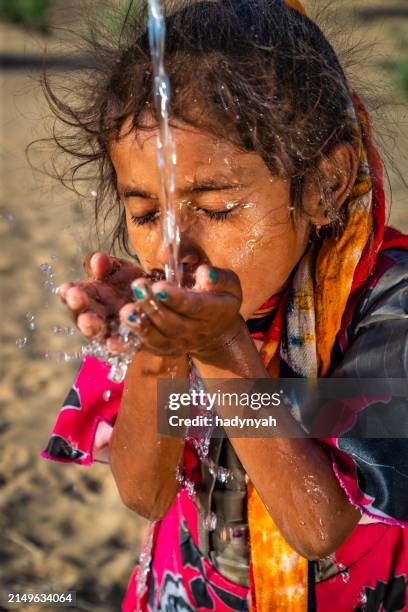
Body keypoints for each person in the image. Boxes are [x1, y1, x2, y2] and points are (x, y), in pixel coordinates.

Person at [40, 0, 408, 609]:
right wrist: (159, 353)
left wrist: (221, 347)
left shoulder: (388, 305)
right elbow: (145, 494)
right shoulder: (157, 302)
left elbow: (320, 525)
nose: (173, 247)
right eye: (145, 214)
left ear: (324, 183)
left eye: (215, 209)